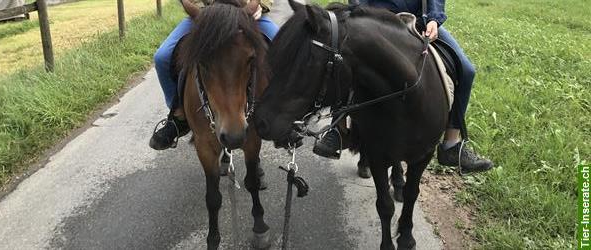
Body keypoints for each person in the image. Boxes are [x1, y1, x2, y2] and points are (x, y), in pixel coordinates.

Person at [313, 0, 494, 173]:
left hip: (417, 21)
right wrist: (361, 15)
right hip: (375, 20)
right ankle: (339, 128)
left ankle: (451, 145)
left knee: (467, 70)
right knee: (344, 59)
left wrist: (433, 19)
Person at [149, 0, 279, 150]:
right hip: (207, 15)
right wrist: (201, 10)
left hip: (246, 13)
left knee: (282, 49)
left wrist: (260, 5)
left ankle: (280, 113)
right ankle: (178, 115)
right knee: (162, 57)